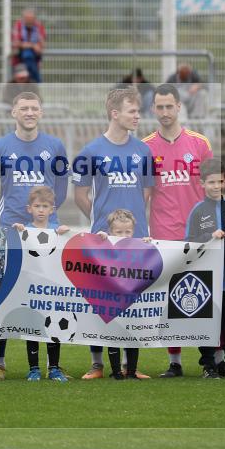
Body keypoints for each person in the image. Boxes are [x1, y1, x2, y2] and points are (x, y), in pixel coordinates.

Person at [0, 91, 67, 380]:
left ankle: (51, 365)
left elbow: (62, 188)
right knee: (4, 296)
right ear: (13, 113)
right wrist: (5, 218)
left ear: (41, 112)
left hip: (45, 235)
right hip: (11, 233)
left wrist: (47, 218)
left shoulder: (55, 146)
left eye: (34, 108)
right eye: (24, 108)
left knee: (48, 297)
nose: (29, 112)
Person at [74, 87, 154, 379]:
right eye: (133, 111)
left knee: (132, 302)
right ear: (115, 113)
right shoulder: (91, 151)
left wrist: (128, 225)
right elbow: (80, 194)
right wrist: (100, 224)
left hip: (135, 240)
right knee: (101, 302)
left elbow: (146, 192)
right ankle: (97, 364)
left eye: (138, 111)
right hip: (102, 241)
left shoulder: (144, 151)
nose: (138, 117)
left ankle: (129, 366)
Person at [142, 83, 212, 377]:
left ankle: (212, 359)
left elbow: (213, 189)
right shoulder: (145, 146)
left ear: (179, 107)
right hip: (163, 232)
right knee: (170, 297)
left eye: (170, 106)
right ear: (153, 109)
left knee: (205, 293)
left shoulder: (199, 143)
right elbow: (144, 193)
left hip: (199, 232)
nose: (165, 112)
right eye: (160, 107)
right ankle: (175, 362)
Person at [185, 160, 225, 379]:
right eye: (211, 182)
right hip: (206, 281)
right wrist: (209, 237)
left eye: (219, 182)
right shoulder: (197, 211)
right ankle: (209, 365)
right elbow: (190, 245)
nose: (216, 186)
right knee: (207, 325)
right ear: (202, 183)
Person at [12, 186, 70, 383]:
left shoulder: (57, 231)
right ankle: (34, 368)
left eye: (45, 206)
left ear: (52, 209)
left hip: (52, 289)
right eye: (37, 206)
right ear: (29, 208)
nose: (41, 210)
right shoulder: (23, 231)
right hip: (32, 289)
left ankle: (54, 368)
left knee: (55, 326)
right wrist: (19, 233)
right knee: (34, 327)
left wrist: (64, 234)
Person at [94, 209, 151, 380]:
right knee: (113, 335)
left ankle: (132, 371)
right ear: (111, 231)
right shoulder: (106, 244)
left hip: (132, 301)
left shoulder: (139, 246)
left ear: (133, 231)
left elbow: (152, 261)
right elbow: (94, 250)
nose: (124, 235)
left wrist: (149, 245)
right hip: (111, 301)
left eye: (128, 232)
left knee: (133, 335)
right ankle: (116, 372)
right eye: (119, 232)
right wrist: (101, 239)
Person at [11, 8, 45, 83]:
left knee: (28, 54)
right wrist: (32, 45)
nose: (29, 21)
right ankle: (37, 81)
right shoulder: (18, 25)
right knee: (27, 53)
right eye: (27, 19)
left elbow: (41, 45)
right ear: (23, 18)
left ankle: (33, 80)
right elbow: (16, 43)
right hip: (19, 58)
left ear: (34, 19)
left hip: (34, 58)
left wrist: (36, 46)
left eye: (31, 19)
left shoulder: (38, 26)